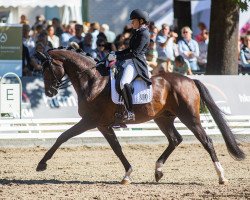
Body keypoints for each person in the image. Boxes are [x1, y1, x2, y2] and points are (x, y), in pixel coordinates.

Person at [107, 9, 152, 121]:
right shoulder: (137, 32)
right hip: (130, 60)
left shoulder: (144, 34)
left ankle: (130, 111)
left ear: (141, 21)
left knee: (124, 82)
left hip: (136, 63)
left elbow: (135, 53)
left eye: (134, 21)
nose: (131, 23)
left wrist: (117, 57)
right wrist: (115, 53)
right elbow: (129, 49)